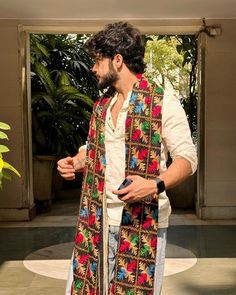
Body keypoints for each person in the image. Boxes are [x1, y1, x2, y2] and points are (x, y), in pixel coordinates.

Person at [57, 21, 197, 295]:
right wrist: (76, 161)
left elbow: (187, 159)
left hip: (142, 222)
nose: (94, 68)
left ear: (118, 60)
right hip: (96, 220)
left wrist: (154, 184)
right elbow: (93, 150)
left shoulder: (163, 101)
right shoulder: (102, 105)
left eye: (98, 61)